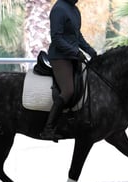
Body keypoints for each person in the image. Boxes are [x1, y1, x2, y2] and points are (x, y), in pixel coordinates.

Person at [40, 0, 97, 141]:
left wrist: (91, 52)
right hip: (60, 56)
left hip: (73, 56)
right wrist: (75, 52)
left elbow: (78, 37)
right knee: (68, 90)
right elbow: (56, 38)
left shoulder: (75, 10)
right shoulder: (59, 9)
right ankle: (48, 129)